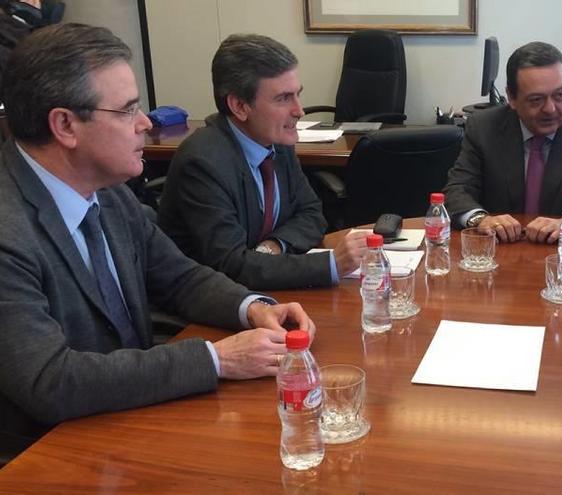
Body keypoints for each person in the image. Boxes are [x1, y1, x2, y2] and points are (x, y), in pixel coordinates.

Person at [0, 23, 316, 457]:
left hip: (127, 418)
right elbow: (50, 381)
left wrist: (255, 308)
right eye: (128, 110)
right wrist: (216, 359)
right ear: (65, 125)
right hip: (47, 452)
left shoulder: (108, 193)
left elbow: (180, 277)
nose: (146, 123)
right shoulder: (8, 230)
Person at [158, 34, 367, 290]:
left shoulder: (277, 142)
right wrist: (331, 265)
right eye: (283, 98)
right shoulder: (203, 162)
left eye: (298, 95)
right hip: (208, 309)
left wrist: (272, 246)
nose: (299, 111)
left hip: (264, 293)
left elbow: (311, 212)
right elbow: (232, 266)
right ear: (239, 106)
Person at [442, 41, 562, 244]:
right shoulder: (484, 127)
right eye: (536, 100)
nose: (550, 109)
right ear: (512, 98)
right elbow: (456, 190)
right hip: (501, 251)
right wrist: (481, 220)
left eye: (560, 95)